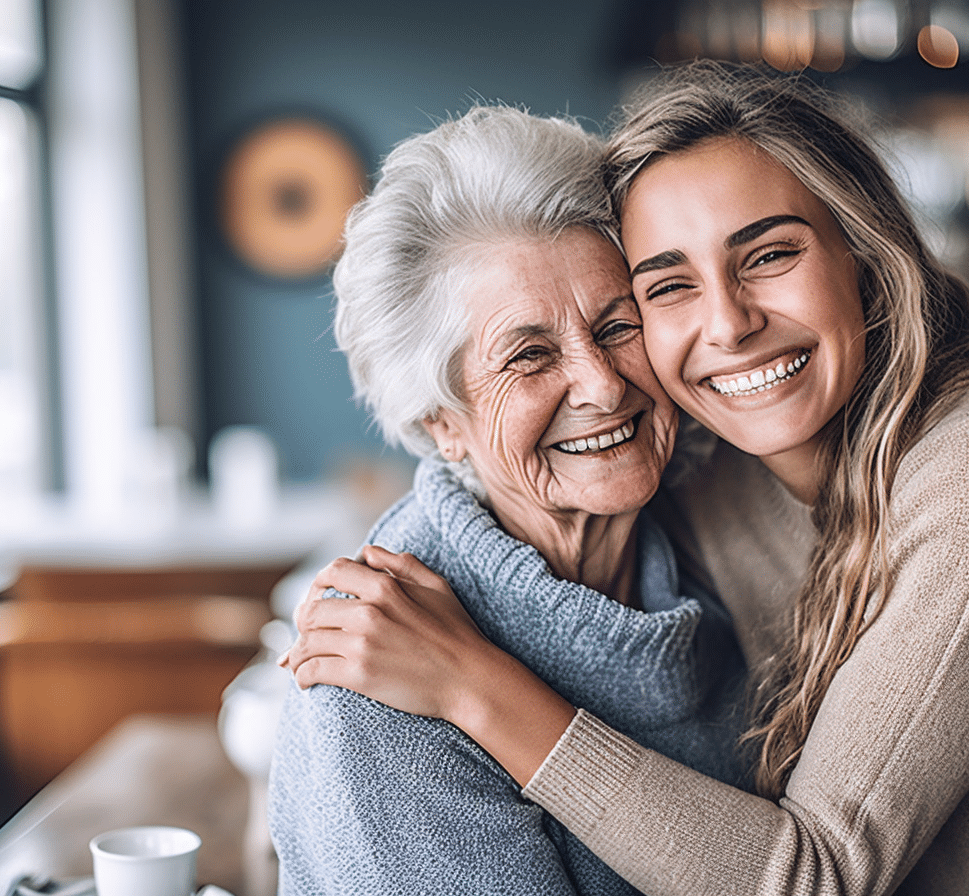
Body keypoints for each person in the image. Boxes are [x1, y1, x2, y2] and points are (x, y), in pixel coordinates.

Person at [282, 62, 969, 895]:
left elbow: (814, 874)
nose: (606, 382)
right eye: (667, 288)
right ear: (437, 423)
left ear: (860, 255)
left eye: (769, 255)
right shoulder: (690, 483)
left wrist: (477, 689)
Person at [266, 104, 749, 896]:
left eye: (617, 326)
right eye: (529, 355)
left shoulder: (715, 541)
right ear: (441, 422)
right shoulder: (381, 678)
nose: (600, 384)